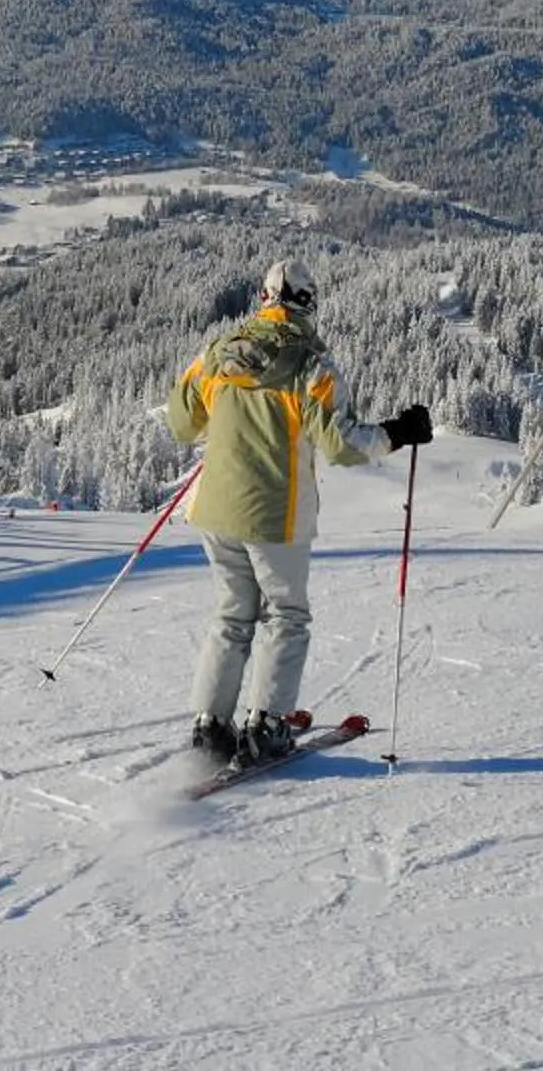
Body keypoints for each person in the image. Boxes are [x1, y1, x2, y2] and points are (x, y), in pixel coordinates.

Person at [169, 258, 430, 768]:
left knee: (231, 614)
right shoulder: (312, 365)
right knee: (286, 615)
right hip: (275, 515)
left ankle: (210, 725)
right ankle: (266, 726)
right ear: (309, 303)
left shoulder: (218, 353)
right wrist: (399, 432)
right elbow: (343, 446)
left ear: (264, 298)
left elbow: (181, 421)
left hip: (215, 509)